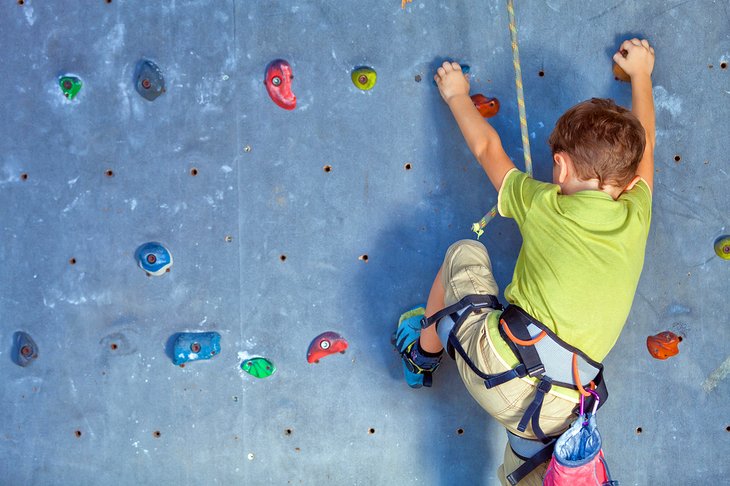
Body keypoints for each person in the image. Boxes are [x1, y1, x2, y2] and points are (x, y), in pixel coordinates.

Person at [394, 38, 656, 485]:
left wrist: (457, 93)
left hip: (499, 370)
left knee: (464, 253)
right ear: (630, 182)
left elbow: (487, 151)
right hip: (555, 411)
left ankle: (421, 354)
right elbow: (645, 153)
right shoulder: (637, 214)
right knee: (531, 463)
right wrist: (642, 76)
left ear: (560, 168)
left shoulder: (544, 203)